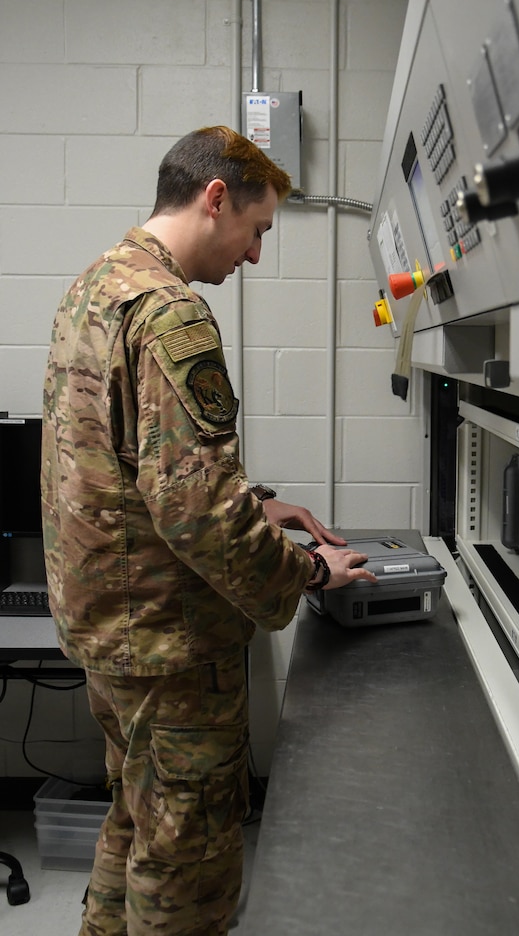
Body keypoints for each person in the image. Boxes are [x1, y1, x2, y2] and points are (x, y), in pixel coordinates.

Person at [40, 125, 375, 936]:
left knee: (134, 816)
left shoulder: (95, 286)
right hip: (169, 640)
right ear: (215, 198)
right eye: (257, 230)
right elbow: (196, 512)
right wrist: (311, 573)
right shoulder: (170, 312)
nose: (255, 256)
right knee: (185, 854)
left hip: (107, 624)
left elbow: (120, 464)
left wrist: (255, 501)